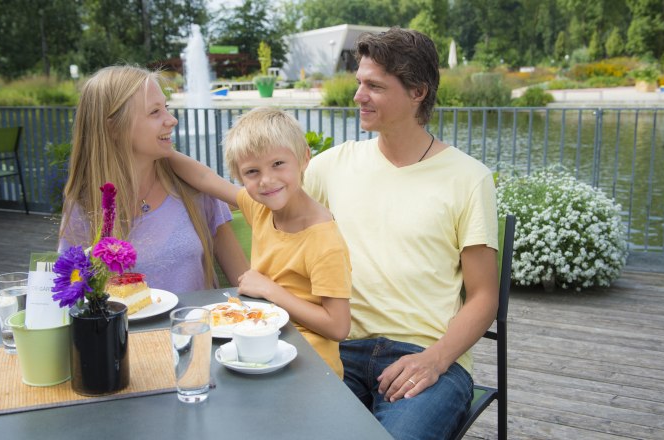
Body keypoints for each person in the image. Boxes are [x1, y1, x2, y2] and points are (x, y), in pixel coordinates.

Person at [303, 28, 499, 440]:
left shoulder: (468, 179)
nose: (358, 96)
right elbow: (263, 206)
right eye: (359, 82)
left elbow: (484, 296)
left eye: (374, 86)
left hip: (427, 358)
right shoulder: (330, 166)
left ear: (417, 92)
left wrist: (437, 359)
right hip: (337, 349)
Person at [169, 107, 351, 377]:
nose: (267, 180)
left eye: (278, 164)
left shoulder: (323, 239)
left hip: (310, 367)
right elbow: (205, 178)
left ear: (304, 158)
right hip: (261, 348)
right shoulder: (261, 208)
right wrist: (161, 149)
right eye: (252, 171)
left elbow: (338, 326)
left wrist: (270, 290)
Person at [58, 65, 248, 294]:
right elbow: (72, 294)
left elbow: (244, 279)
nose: (172, 120)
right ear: (114, 127)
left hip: (198, 328)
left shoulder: (193, 189)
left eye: (166, 108)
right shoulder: (84, 206)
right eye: (155, 112)